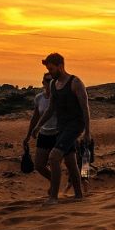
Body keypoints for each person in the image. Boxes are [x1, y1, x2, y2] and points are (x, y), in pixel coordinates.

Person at [31, 53, 89, 204]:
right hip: (61, 127)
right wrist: (38, 126)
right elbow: (50, 109)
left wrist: (87, 132)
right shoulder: (53, 84)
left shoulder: (75, 82)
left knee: (54, 157)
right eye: (48, 70)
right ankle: (79, 195)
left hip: (74, 126)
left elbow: (85, 108)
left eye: (51, 69)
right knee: (70, 161)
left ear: (60, 66)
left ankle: (53, 197)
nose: (49, 72)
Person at [23, 73, 59, 186]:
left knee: (61, 164)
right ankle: (55, 183)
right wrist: (28, 136)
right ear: (43, 82)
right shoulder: (39, 98)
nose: (50, 82)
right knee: (39, 165)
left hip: (58, 134)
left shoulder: (59, 97)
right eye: (47, 80)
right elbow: (35, 117)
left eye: (53, 80)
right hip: (44, 134)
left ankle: (79, 186)